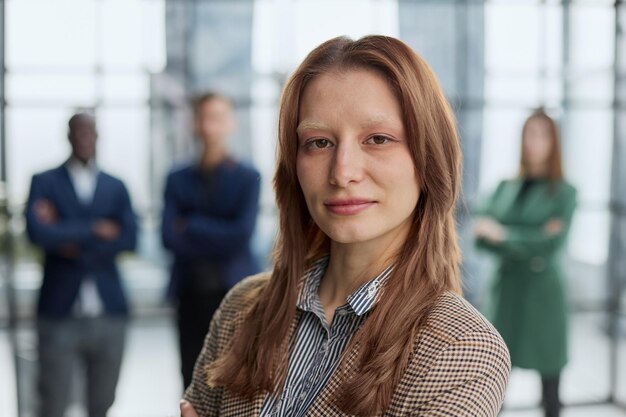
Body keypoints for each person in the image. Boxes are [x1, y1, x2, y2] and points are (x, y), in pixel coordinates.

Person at [180, 35, 510, 417]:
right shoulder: (242, 308)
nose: (342, 172)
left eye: (378, 139)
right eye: (319, 143)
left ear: (428, 160)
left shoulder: (462, 347)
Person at [25, 113, 137, 417]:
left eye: (90, 132)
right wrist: (95, 229)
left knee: (102, 403)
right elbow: (37, 233)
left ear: (98, 136)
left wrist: (66, 234)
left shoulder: (116, 186)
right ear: (68, 136)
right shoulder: (45, 182)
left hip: (109, 312)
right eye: (78, 132)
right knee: (53, 402)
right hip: (59, 312)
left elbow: (129, 238)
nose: (85, 138)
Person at [474, 109, 577, 417]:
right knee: (496, 383)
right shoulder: (506, 187)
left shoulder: (564, 192)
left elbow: (550, 245)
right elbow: (480, 238)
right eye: (529, 133)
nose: (534, 142)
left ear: (554, 141)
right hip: (507, 293)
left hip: (543, 295)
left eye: (542, 134)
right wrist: (528, 237)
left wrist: (502, 234)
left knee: (550, 387)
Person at [162, 92, 261, 390]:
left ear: (231, 124)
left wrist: (191, 224)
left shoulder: (248, 177)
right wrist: (220, 233)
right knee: (191, 381)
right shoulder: (177, 178)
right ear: (193, 124)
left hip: (235, 292)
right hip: (190, 294)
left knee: (236, 382)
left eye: (216, 118)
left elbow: (242, 234)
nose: (209, 127)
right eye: (203, 118)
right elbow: (168, 238)